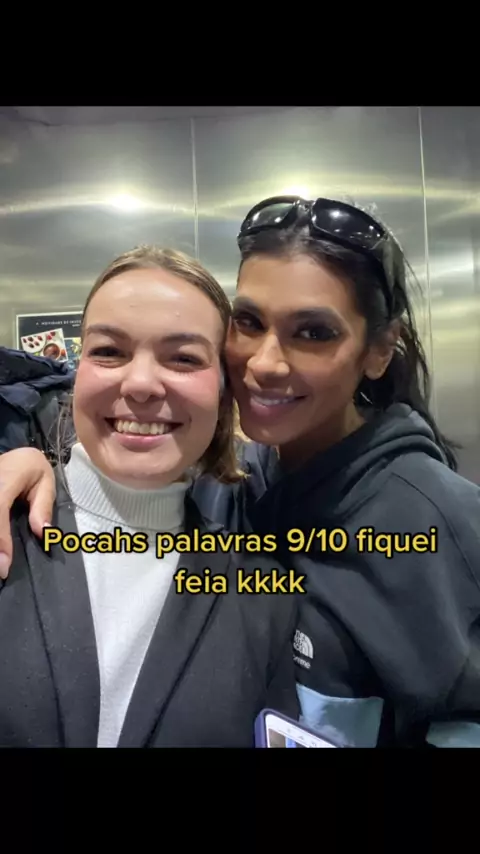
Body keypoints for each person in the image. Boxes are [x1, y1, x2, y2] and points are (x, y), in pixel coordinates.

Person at [1, 197, 479, 748]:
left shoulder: (441, 522)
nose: (265, 363)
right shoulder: (239, 486)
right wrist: (34, 460)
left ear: (379, 351)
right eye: (249, 322)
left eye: (314, 332)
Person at [0, 245, 299, 748]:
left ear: (224, 393)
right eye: (109, 351)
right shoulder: (8, 529)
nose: (140, 384)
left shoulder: (263, 599)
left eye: (183, 358)